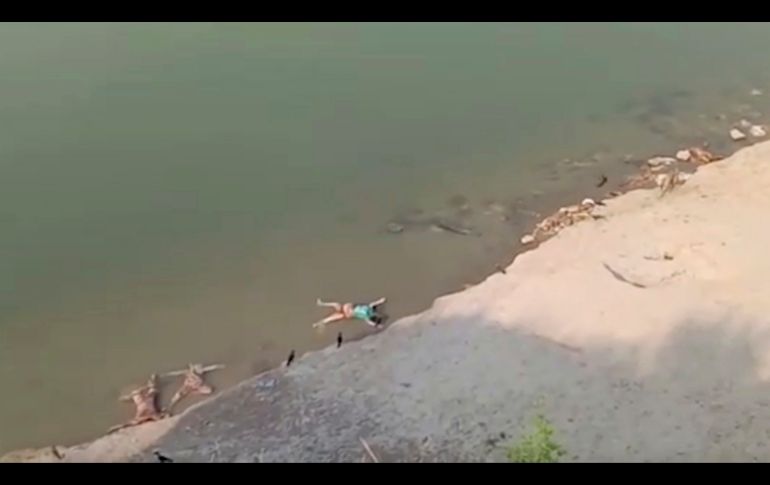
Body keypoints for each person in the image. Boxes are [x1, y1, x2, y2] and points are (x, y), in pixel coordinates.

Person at [313, 297, 386, 328]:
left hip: (345, 314)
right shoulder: (369, 308)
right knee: (335, 304)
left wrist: (377, 325)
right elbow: (373, 304)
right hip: (346, 308)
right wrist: (380, 301)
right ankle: (322, 303)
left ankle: (318, 324)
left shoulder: (365, 316)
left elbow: (369, 322)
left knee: (331, 318)